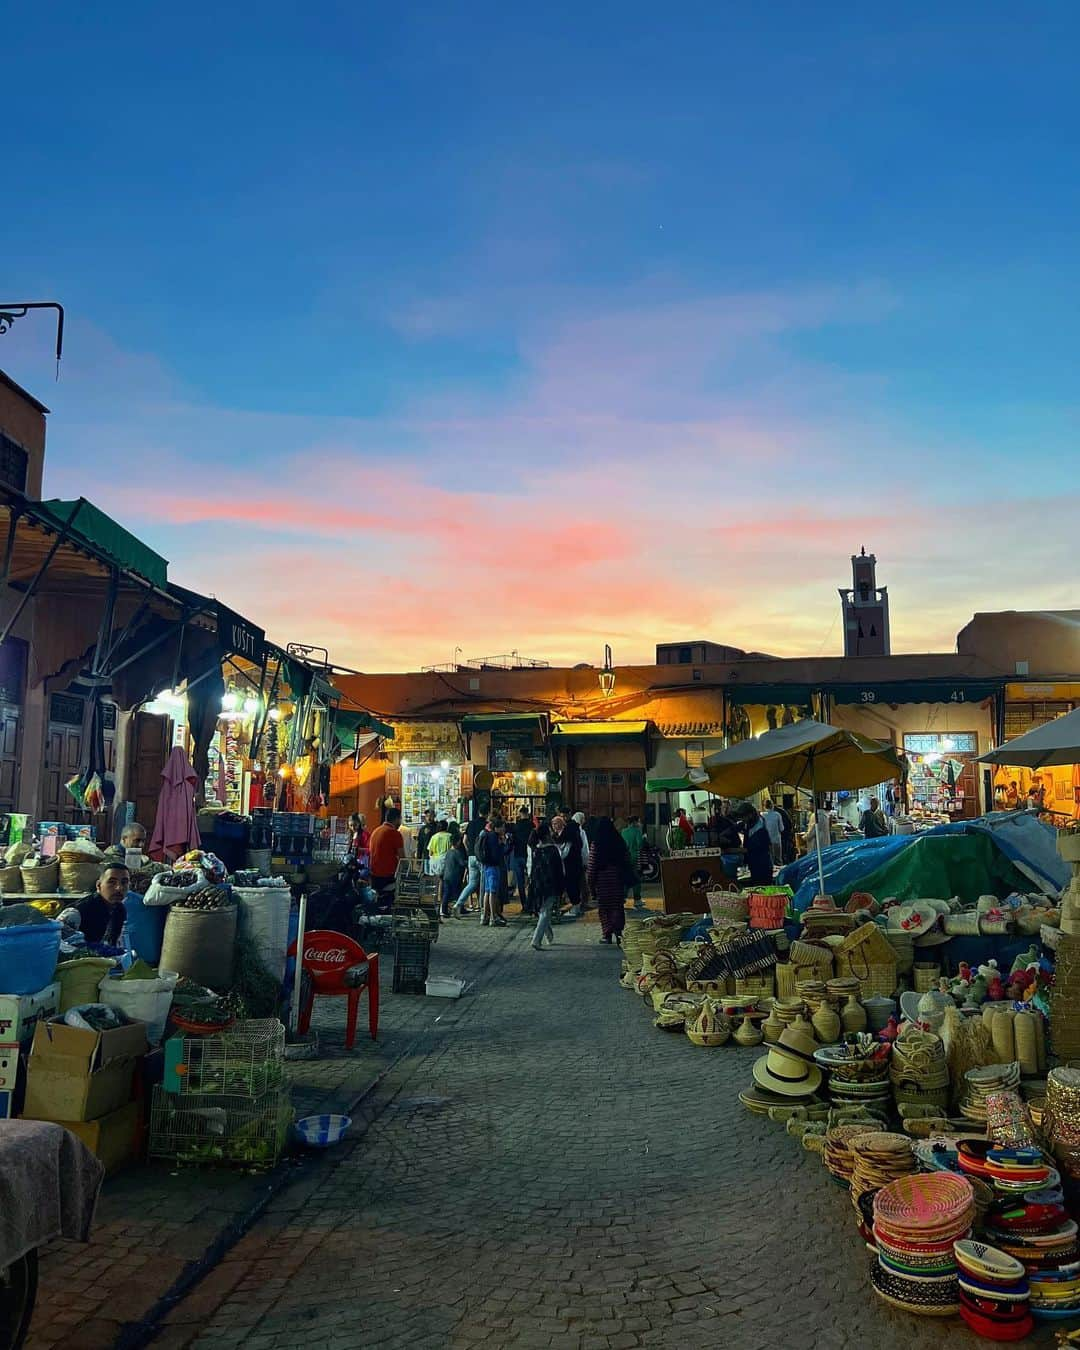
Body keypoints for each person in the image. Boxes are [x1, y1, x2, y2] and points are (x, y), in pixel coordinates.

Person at [588, 817, 632, 945]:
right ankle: (619, 933)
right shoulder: (619, 841)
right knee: (617, 907)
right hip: (617, 879)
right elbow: (626, 860)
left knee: (604, 908)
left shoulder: (596, 844)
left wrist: (591, 885)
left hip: (602, 881)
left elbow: (591, 867)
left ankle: (607, 935)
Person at [527, 819, 565, 951]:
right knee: (545, 910)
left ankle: (549, 935)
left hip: (538, 883)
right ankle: (536, 939)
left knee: (544, 909)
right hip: (550, 883)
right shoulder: (553, 850)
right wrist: (561, 886)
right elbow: (559, 870)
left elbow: (532, 868)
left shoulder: (536, 850)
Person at [76, 863, 130, 945]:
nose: (119, 888)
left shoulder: (119, 910)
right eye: (112, 882)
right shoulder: (78, 912)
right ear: (98, 885)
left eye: (124, 882)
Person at [475, 817, 507, 927]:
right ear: (497, 828)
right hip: (493, 867)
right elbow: (497, 854)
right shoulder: (494, 837)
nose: (504, 829)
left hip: (486, 866)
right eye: (502, 827)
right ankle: (493, 917)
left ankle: (485, 916)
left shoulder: (488, 835)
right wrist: (503, 844)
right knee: (493, 892)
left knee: (487, 891)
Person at [733, 804, 774, 885]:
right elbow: (735, 828)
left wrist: (729, 850)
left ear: (750, 815)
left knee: (762, 889)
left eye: (743, 817)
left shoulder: (759, 828)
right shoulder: (750, 823)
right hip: (755, 864)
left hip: (762, 866)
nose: (742, 819)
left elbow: (749, 849)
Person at [369, 807, 405, 897]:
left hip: (374, 875)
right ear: (397, 819)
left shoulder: (375, 831)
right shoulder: (394, 833)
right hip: (388, 876)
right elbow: (402, 858)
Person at [562, 814, 588, 917]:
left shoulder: (577, 832)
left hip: (574, 864)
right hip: (578, 863)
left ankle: (577, 905)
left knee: (575, 885)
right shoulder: (578, 831)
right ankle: (577, 904)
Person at [440, 824, 466, 918]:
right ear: (458, 842)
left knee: (446, 893)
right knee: (458, 893)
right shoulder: (456, 852)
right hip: (454, 877)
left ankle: (444, 910)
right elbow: (462, 863)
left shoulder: (448, 852)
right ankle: (460, 908)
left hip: (446, 876)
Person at [620, 814, 646, 910]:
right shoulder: (637, 831)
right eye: (639, 821)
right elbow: (640, 845)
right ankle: (637, 900)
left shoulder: (623, 831)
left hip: (625, 858)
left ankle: (622, 899)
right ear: (635, 822)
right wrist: (643, 838)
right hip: (635, 857)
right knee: (637, 879)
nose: (640, 823)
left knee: (626, 878)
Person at [427, 819, 452, 909]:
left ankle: (436, 900)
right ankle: (442, 902)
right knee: (445, 883)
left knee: (437, 882)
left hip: (435, 861)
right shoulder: (450, 836)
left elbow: (430, 852)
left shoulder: (434, 837)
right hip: (446, 861)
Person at [511, 807, 532, 912]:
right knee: (531, 879)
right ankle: (531, 903)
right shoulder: (531, 825)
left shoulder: (516, 826)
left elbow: (512, 841)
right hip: (529, 855)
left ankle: (524, 904)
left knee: (520, 882)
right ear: (527, 813)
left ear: (520, 813)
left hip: (518, 855)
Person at [760, 799, 784, 865]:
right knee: (778, 860)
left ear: (764, 806)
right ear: (772, 805)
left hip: (766, 842)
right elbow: (782, 829)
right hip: (776, 840)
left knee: (768, 861)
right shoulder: (777, 815)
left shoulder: (761, 815)